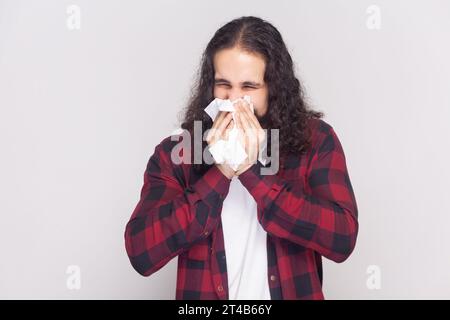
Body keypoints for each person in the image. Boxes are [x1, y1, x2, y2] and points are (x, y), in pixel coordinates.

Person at [124, 16, 358, 300]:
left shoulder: (316, 141)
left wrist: (252, 171)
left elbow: (342, 239)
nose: (234, 100)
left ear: (273, 89)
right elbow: (141, 252)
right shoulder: (177, 154)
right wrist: (220, 173)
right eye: (224, 84)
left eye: (248, 87)